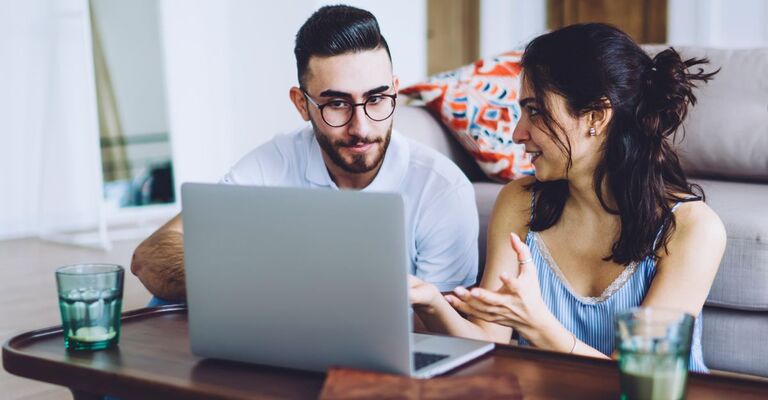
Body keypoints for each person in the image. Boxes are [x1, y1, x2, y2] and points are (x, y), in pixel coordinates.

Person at [409, 23, 725, 373]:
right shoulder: (518, 202)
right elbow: (490, 342)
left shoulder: (693, 229)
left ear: (595, 116)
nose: (518, 133)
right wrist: (430, 303)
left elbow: (639, 380)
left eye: (536, 111)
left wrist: (537, 326)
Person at [131, 5, 479, 304]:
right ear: (302, 104)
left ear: (394, 91)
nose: (360, 126)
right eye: (337, 104)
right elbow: (151, 255)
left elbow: (445, 337)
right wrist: (272, 293)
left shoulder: (442, 191)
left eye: (375, 99)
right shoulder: (274, 163)